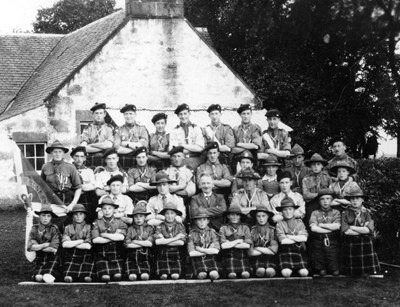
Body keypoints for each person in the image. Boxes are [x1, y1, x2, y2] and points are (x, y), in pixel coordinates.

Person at [341, 187, 380, 276]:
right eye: (352, 198)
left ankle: (368, 270)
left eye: (357, 198)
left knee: (367, 240)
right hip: (350, 241)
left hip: (364, 242)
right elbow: (346, 231)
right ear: (349, 200)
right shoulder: (345, 213)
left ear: (362, 200)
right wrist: (361, 230)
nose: (355, 201)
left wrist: (352, 227)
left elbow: (369, 229)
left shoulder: (366, 213)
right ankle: (353, 271)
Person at [92, 196, 128, 282]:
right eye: (104, 209)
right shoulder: (96, 222)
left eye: (109, 208)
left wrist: (104, 235)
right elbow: (95, 240)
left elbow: (122, 237)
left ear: (114, 210)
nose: (107, 211)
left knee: (118, 276)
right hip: (102, 252)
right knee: (105, 277)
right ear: (101, 210)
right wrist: (114, 236)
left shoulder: (120, 222)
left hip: (116, 252)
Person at [41, 140, 82, 213]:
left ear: (63, 153)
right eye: (55, 152)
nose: (57, 154)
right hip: (51, 200)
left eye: (60, 152)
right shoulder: (45, 167)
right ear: (51, 153)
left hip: (66, 200)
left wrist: (72, 204)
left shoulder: (70, 167)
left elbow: (78, 187)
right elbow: (42, 186)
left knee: (65, 221)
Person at [309, 189, 341, 276]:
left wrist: (321, 225)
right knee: (322, 271)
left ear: (331, 200)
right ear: (319, 201)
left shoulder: (336, 212)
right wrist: (330, 228)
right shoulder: (315, 213)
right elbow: (313, 228)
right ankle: (321, 268)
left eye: (328, 199)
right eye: (322, 199)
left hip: (332, 241)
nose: (325, 201)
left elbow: (337, 226)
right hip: (318, 241)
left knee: (335, 271)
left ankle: (333, 267)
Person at [27, 204, 61, 283]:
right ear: (39, 216)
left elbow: (53, 248)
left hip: (52, 257)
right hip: (39, 257)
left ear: (51, 217)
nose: (46, 218)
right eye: (43, 215)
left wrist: (37, 246)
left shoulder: (54, 229)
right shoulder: (34, 229)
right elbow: (29, 247)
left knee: (49, 275)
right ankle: (40, 275)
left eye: (48, 216)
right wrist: (45, 244)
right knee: (38, 276)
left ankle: (50, 275)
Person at [276, 197, 309, 278]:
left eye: (290, 209)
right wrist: (297, 237)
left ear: (294, 210)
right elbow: (283, 241)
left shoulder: (299, 222)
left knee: (304, 273)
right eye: (285, 210)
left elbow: (304, 238)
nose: (288, 212)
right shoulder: (280, 224)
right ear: (281, 212)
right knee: (286, 273)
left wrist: (289, 237)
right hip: (285, 253)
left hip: (299, 252)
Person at [62, 204, 95, 282]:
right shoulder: (67, 227)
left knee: (87, 275)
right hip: (71, 254)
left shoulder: (89, 227)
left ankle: (86, 275)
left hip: (86, 253)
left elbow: (88, 246)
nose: (78, 216)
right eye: (76, 214)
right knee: (68, 274)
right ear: (73, 216)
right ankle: (70, 276)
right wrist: (81, 241)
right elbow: (65, 244)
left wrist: (72, 243)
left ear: (85, 216)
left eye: (81, 214)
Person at [154, 202, 187, 280]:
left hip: (176, 253)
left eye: (172, 213)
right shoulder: (160, 226)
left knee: (175, 276)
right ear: (164, 215)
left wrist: (165, 240)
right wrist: (176, 238)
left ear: (175, 215)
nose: (169, 216)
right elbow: (158, 242)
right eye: (167, 213)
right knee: (163, 276)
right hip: (163, 253)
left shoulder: (180, 226)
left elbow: (181, 242)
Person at [219, 204, 252, 279]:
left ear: (240, 216)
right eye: (232, 215)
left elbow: (247, 245)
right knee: (232, 275)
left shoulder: (245, 227)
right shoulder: (223, 228)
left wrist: (230, 243)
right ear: (228, 216)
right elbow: (223, 246)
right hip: (229, 255)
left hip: (242, 255)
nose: (234, 217)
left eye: (237, 215)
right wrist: (239, 241)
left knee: (245, 274)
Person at [188, 208, 221, 280]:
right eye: (199, 220)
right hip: (197, 259)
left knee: (214, 275)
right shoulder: (192, 234)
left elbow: (216, 251)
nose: (202, 222)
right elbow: (191, 253)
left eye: (204, 220)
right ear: (196, 221)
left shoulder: (212, 233)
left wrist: (200, 249)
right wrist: (208, 251)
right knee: (202, 275)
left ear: (208, 221)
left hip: (211, 258)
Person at [124, 201, 154, 281]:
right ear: (133, 218)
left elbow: (149, 244)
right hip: (132, 257)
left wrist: (135, 241)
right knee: (132, 277)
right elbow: (127, 244)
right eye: (136, 217)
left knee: (145, 276)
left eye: (141, 216)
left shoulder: (149, 228)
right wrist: (142, 243)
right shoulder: (130, 229)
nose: (138, 219)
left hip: (145, 257)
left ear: (145, 217)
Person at [169, 103, 205, 170]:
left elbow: (200, 148)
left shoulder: (196, 129)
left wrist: (182, 146)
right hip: (180, 162)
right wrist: (193, 148)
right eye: (180, 114)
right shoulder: (174, 131)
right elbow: (173, 150)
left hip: (196, 161)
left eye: (185, 113)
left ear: (189, 114)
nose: (183, 116)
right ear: (178, 116)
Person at [114, 104, 149, 170]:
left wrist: (125, 144)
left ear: (135, 114)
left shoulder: (142, 129)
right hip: (122, 162)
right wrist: (136, 148)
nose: (128, 116)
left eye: (131, 114)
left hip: (138, 162)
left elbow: (144, 145)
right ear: (123, 115)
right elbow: (117, 149)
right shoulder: (119, 130)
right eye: (126, 114)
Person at [302, 153, 332, 227]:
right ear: (310, 166)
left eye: (318, 164)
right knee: (311, 221)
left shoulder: (327, 177)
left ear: (322, 166)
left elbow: (331, 191)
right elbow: (306, 195)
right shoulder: (306, 179)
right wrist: (320, 194)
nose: (316, 167)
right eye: (313, 165)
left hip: (325, 203)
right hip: (312, 203)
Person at [248, 204, 278, 278]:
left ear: (268, 216)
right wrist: (267, 249)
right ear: (255, 217)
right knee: (260, 271)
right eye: (258, 216)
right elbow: (251, 252)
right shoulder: (252, 230)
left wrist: (257, 248)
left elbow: (273, 251)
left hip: (270, 258)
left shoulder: (272, 230)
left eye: (263, 216)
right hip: (256, 259)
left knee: (270, 272)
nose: (261, 219)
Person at [80, 102, 114, 167]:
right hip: (90, 160)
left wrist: (91, 145)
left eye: (101, 113)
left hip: (106, 160)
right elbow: (83, 148)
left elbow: (109, 145)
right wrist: (103, 147)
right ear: (93, 114)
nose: (99, 115)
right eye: (96, 113)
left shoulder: (109, 128)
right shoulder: (88, 128)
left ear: (104, 114)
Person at [232, 104, 262, 172]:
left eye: (248, 113)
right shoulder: (235, 130)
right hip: (238, 160)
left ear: (251, 114)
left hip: (252, 159)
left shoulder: (255, 128)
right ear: (240, 115)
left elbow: (255, 146)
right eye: (243, 114)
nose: (246, 116)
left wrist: (239, 144)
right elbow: (232, 149)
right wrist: (248, 146)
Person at [71, 146, 97, 223]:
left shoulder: (88, 171)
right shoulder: (69, 169)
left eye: (82, 156)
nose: (79, 159)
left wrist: (78, 187)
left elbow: (92, 186)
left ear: (85, 158)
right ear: (73, 157)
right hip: (72, 197)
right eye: (77, 156)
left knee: (86, 218)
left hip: (85, 197)